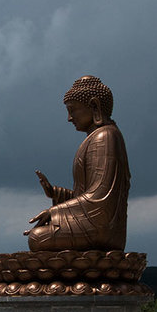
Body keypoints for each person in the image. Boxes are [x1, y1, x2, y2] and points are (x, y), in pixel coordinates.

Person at [26, 75, 131, 252]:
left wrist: (55, 211)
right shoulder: (98, 137)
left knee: (37, 238)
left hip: (101, 229)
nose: (69, 118)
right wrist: (56, 193)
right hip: (93, 225)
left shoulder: (104, 137)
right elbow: (85, 195)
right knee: (38, 235)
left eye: (73, 110)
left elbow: (100, 198)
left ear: (94, 106)